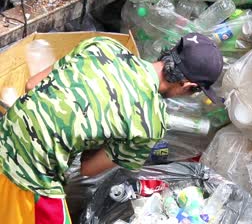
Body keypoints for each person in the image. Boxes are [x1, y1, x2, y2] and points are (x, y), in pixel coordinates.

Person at [0, 33, 223, 223]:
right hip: (27, 172)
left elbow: (31, 85)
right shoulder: (151, 122)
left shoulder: (103, 45)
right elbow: (87, 169)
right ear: (188, 85)